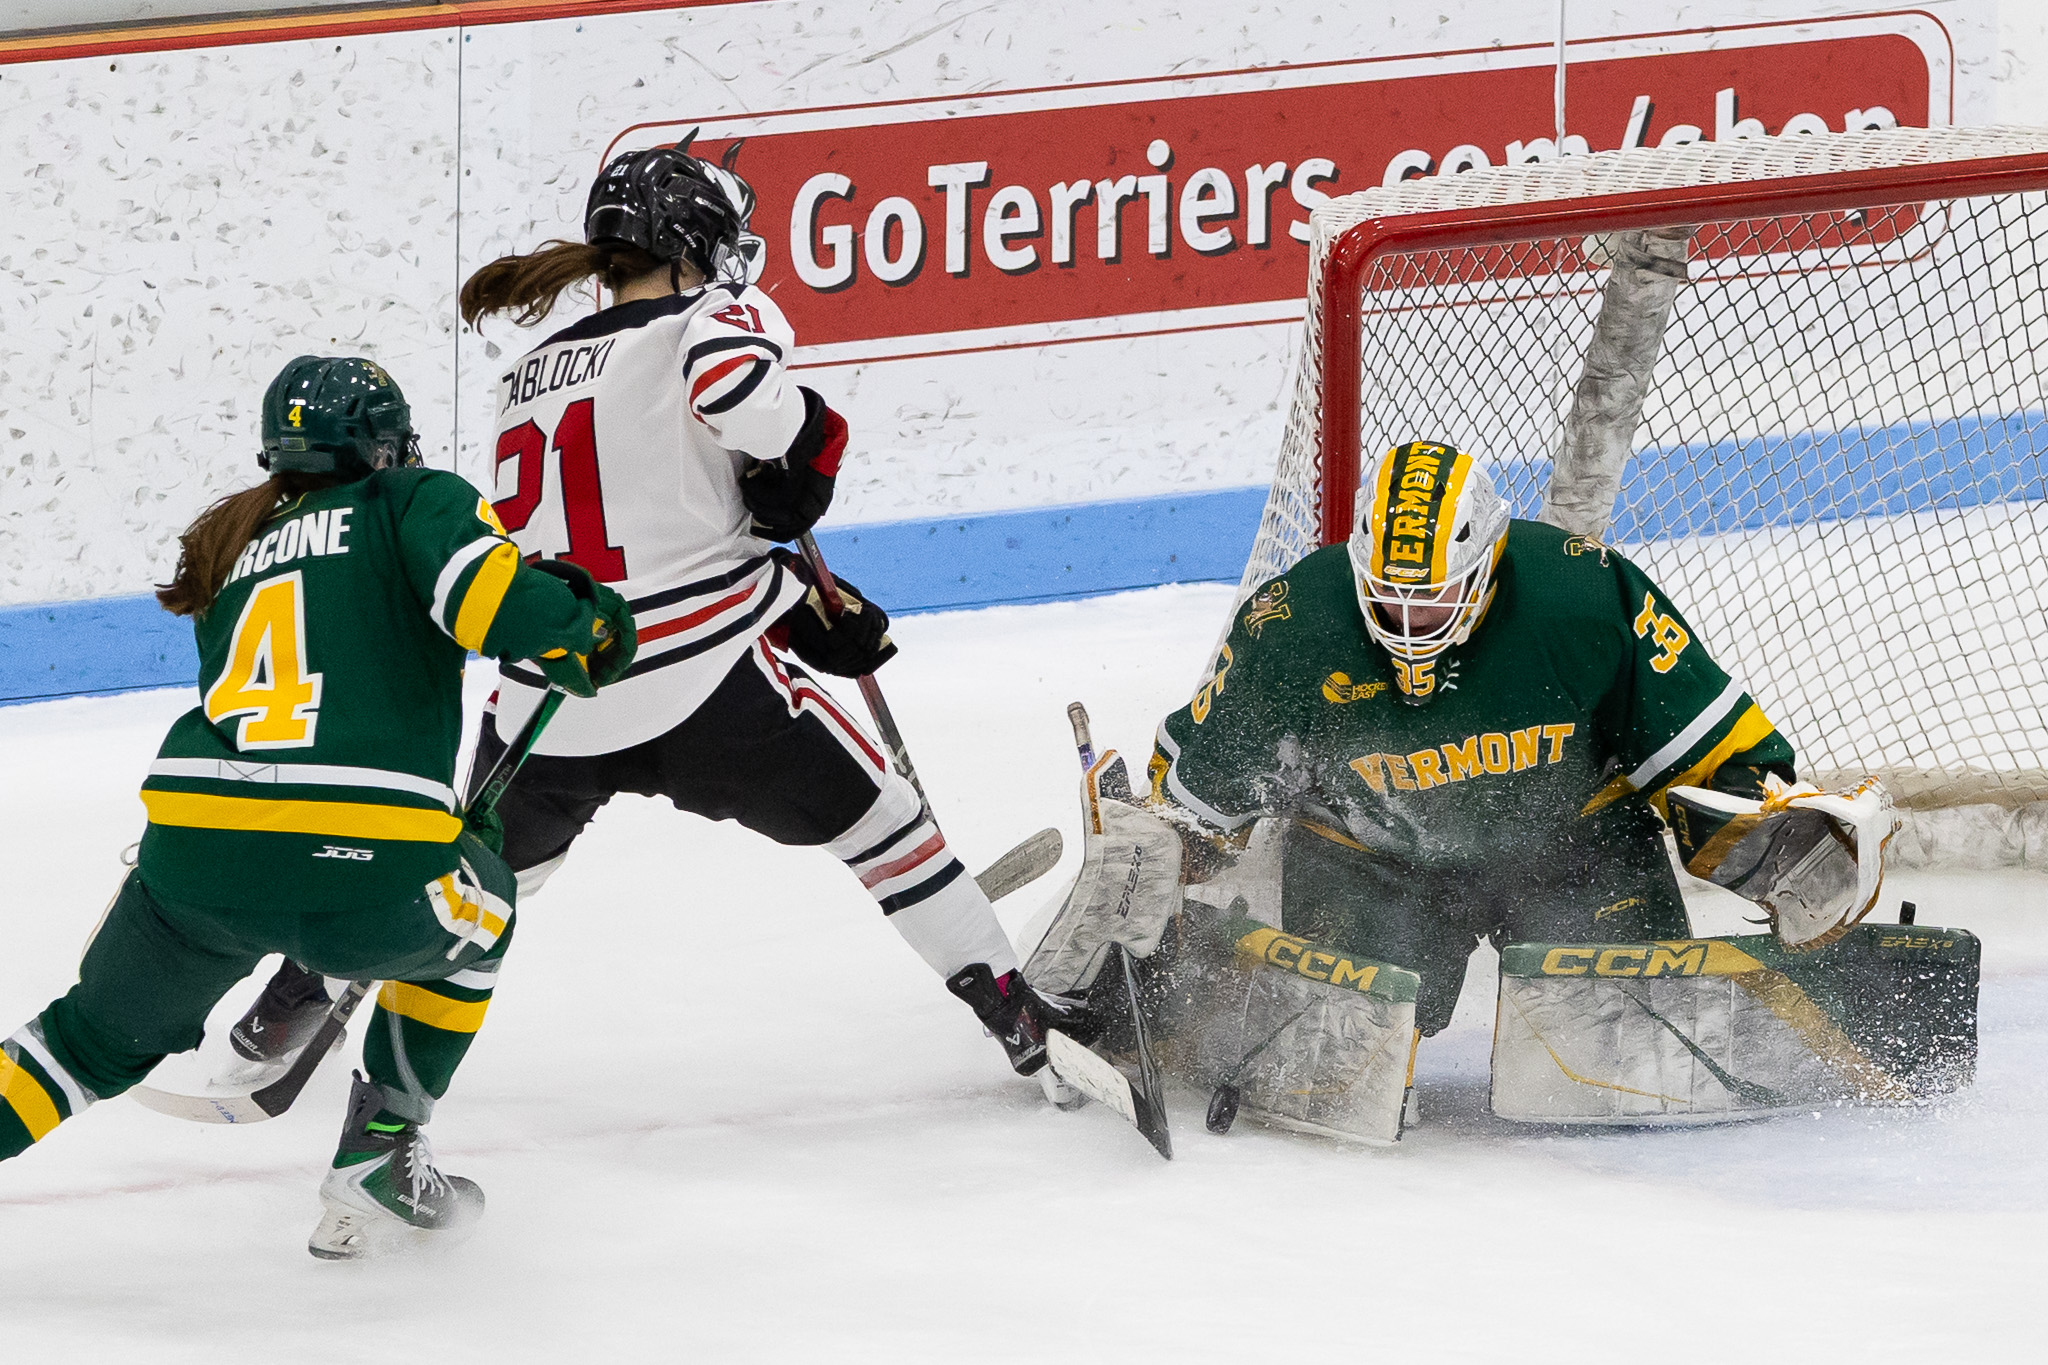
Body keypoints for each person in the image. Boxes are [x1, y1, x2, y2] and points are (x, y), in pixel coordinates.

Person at [236, 138, 1056, 1079]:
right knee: (886, 828)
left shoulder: (526, 375)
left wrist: (791, 593)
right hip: (706, 691)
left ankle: (289, 1002)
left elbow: (628, 536)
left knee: (461, 885)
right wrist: (800, 444)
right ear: (692, 245)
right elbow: (743, 407)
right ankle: (1017, 1014)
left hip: (551, 704)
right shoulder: (710, 313)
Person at [0, 356, 634, 1258]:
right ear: (384, 447)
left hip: (193, 859)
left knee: (81, 1044)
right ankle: (384, 1142)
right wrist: (589, 625)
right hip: (363, 868)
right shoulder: (412, 500)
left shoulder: (233, 539)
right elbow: (498, 607)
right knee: (485, 915)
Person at [1147, 438, 1881, 1038]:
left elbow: (1699, 736)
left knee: (1629, 1030)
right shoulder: (1291, 625)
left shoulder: (1582, 596)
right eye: (1390, 598)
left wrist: (1769, 828)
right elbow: (1199, 795)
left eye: (1433, 598)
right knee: (1342, 1043)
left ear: (1487, 562)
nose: (1410, 624)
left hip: (1572, 847)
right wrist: (1152, 857)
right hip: (1371, 858)